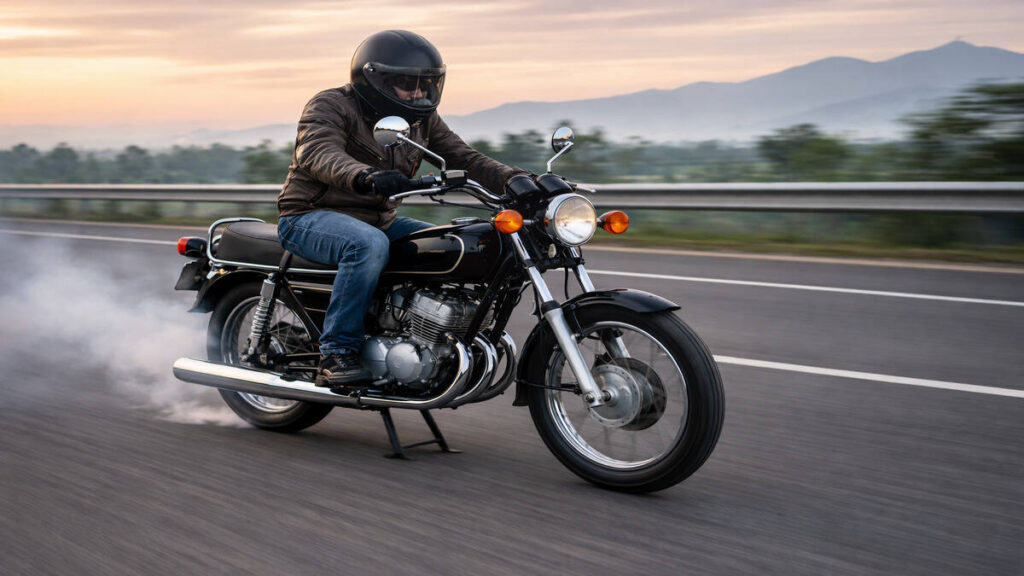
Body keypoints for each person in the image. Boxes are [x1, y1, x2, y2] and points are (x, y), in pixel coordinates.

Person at [276, 30, 518, 388]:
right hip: (309, 215)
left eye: (425, 84)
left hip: (379, 219)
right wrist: (366, 175)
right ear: (376, 79)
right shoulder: (330, 105)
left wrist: (518, 180)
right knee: (367, 245)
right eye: (408, 84)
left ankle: (429, 338)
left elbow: (465, 157)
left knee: (459, 242)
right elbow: (318, 153)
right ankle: (336, 352)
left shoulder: (423, 121)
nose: (418, 93)